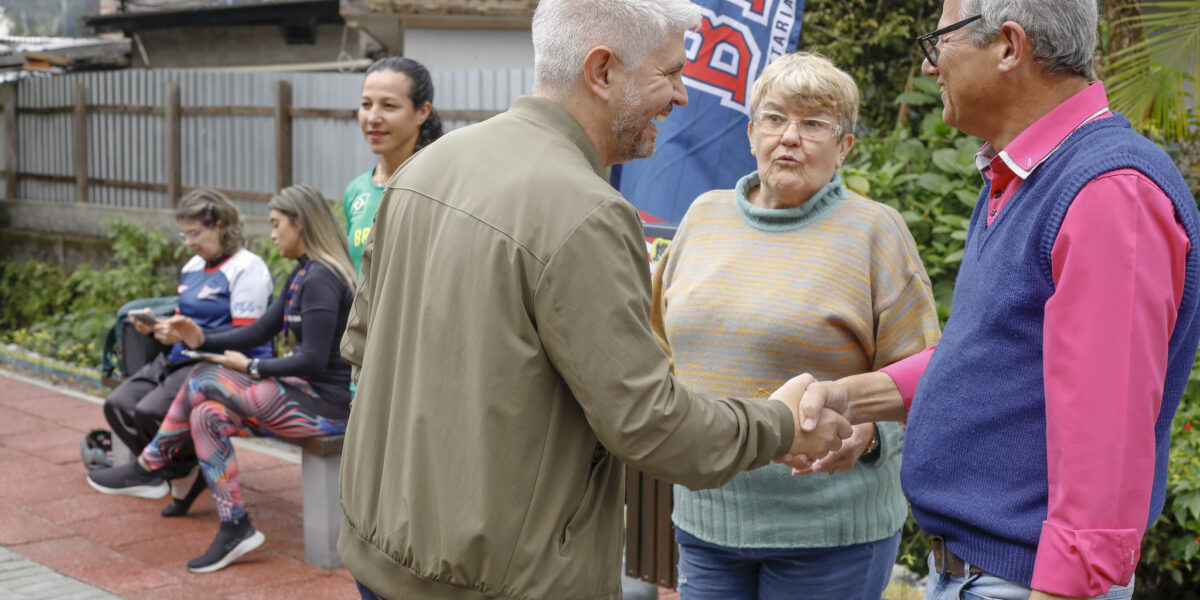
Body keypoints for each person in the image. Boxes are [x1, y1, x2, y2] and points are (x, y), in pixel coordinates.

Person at [337, 1, 854, 598]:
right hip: (499, 577)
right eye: (669, 72)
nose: (682, 95)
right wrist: (781, 423)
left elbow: (364, 346)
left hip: (380, 549)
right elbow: (649, 426)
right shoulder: (587, 213)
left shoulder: (424, 168)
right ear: (602, 71)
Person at [784, 1, 1200, 599]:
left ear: (1009, 46)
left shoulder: (1109, 193)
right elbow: (992, 355)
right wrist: (848, 398)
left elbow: (1103, 467)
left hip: (1025, 582)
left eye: (940, 41)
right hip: (977, 574)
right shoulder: (1027, 175)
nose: (929, 66)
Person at [652, 51, 940, 600]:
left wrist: (871, 434)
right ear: (751, 133)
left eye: (813, 124)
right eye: (774, 118)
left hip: (828, 532)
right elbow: (656, 346)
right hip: (704, 521)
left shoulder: (874, 232)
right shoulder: (703, 216)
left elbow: (926, 375)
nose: (789, 137)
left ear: (844, 146)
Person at [86, 184, 357, 574]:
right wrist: (199, 339)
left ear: (300, 223)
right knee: (206, 416)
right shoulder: (302, 275)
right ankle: (235, 526)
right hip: (305, 395)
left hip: (329, 407)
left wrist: (252, 367)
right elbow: (257, 331)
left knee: (202, 378)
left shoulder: (322, 278)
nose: (272, 234)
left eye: (276, 224)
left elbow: (312, 360)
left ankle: (149, 466)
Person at [101, 188, 272, 516]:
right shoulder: (193, 266)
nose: (189, 242)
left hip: (215, 363)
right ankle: (181, 471)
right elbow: (186, 318)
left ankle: (174, 471)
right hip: (178, 358)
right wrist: (158, 326)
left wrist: (191, 336)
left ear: (220, 225)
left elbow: (246, 336)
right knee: (118, 405)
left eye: (195, 233)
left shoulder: (247, 268)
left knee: (149, 411)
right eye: (184, 234)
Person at [344, 56, 442, 275]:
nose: (372, 118)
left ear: (422, 112)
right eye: (366, 104)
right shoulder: (356, 191)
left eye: (388, 106)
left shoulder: (438, 189)